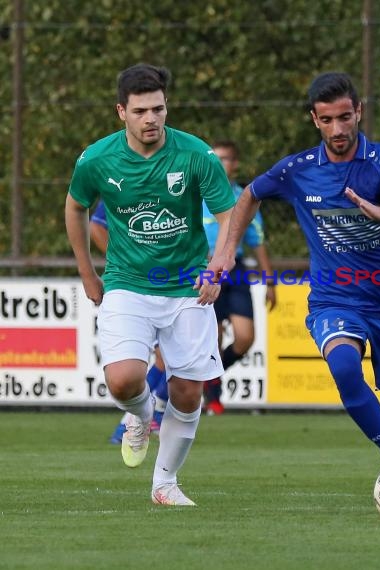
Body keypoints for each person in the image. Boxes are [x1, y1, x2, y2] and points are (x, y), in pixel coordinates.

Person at [210, 72, 380, 511]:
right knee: (344, 366)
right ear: (315, 119)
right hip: (335, 298)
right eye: (327, 120)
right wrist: (227, 253)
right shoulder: (299, 169)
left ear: (358, 112)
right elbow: (249, 195)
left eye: (345, 117)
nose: (338, 129)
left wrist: (379, 210)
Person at [65, 63, 235, 506]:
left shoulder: (196, 154)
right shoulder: (97, 158)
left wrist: (218, 264)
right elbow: (76, 207)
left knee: (188, 389)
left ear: (166, 107)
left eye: (158, 108)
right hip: (126, 282)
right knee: (123, 380)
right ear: (121, 110)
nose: (151, 119)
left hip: (186, 287)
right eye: (140, 110)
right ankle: (140, 416)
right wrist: (88, 272)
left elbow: (228, 215)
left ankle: (165, 484)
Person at [202, 141, 277, 414]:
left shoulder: (244, 199)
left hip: (235, 273)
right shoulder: (196, 194)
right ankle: (213, 398)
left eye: (227, 159)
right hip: (203, 271)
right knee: (213, 337)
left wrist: (270, 282)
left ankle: (211, 377)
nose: (222, 164)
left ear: (235, 164)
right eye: (217, 158)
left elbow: (258, 243)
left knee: (245, 338)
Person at [90, 201, 170, 442]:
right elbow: (95, 226)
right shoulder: (126, 181)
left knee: (170, 361)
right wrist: (125, 261)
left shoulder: (184, 178)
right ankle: (137, 419)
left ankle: (141, 418)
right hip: (135, 289)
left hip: (175, 283)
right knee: (134, 371)